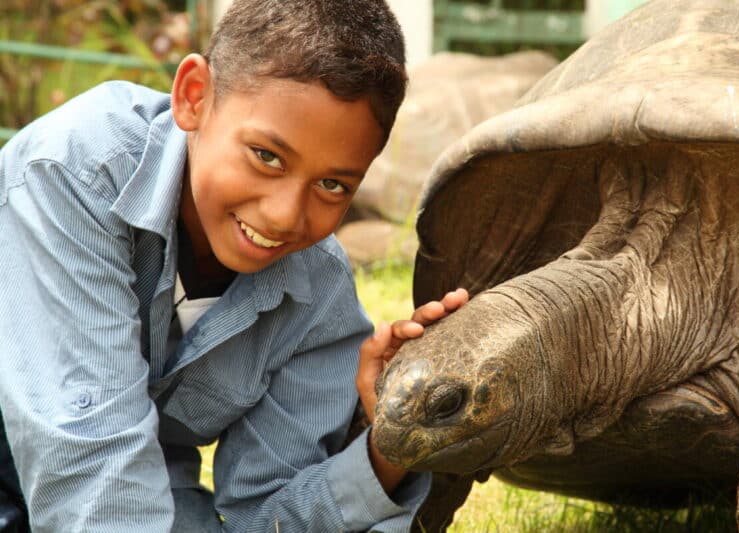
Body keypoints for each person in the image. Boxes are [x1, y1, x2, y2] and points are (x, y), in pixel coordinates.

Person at [0, 0, 469, 531]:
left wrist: (392, 441)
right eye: (267, 156)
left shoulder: (317, 296)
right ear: (194, 97)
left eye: (332, 185)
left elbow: (266, 518)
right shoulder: (74, 173)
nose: (285, 215)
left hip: (145, 493)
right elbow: (89, 460)